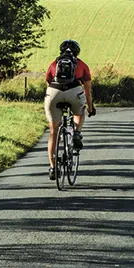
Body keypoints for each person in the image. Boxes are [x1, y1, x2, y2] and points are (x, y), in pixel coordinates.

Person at [45, 39, 95, 180]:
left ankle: (53, 168)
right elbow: (88, 92)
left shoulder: (54, 64)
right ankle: (77, 133)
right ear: (77, 52)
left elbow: (48, 83)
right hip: (74, 92)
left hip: (53, 93)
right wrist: (90, 109)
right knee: (80, 112)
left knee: (53, 132)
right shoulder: (82, 65)